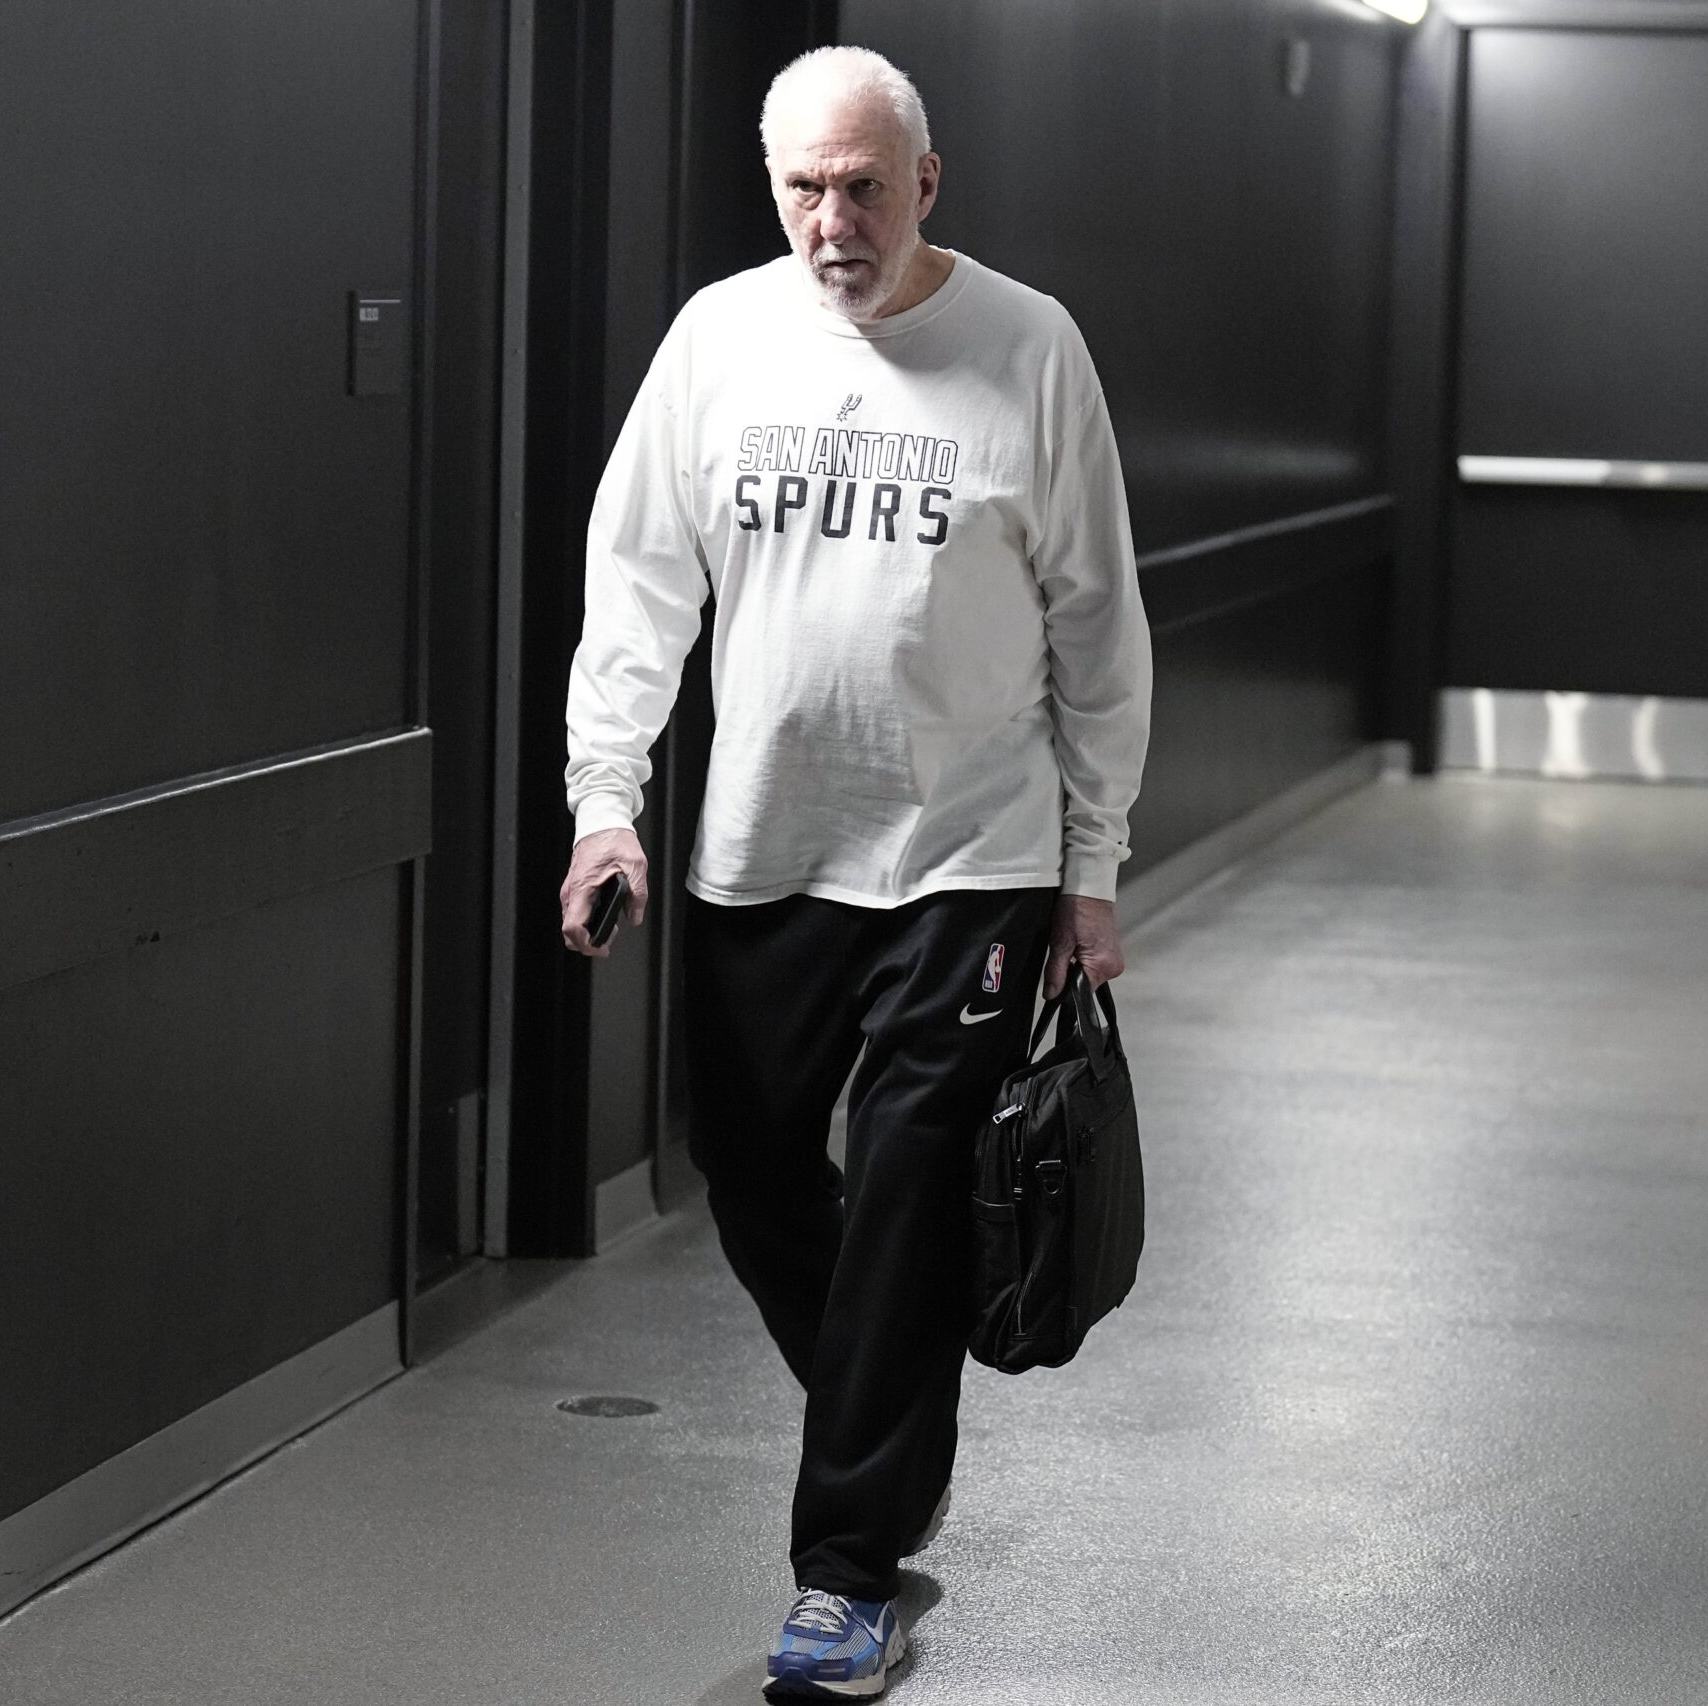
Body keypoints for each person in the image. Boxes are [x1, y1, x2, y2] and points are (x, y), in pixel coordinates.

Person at [556, 43, 1150, 1701]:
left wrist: (1089, 864)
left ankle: (848, 1568)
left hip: (969, 856)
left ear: (928, 185)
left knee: (903, 1189)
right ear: (773, 189)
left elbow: (1102, 630)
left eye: (866, 187)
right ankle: (889, 1413)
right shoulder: (716, 344)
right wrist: (610, 804)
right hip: (762, 850)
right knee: (745, 1167)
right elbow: (636, 590)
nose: (835, 219)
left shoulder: (1028, 350)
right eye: (805, 187)